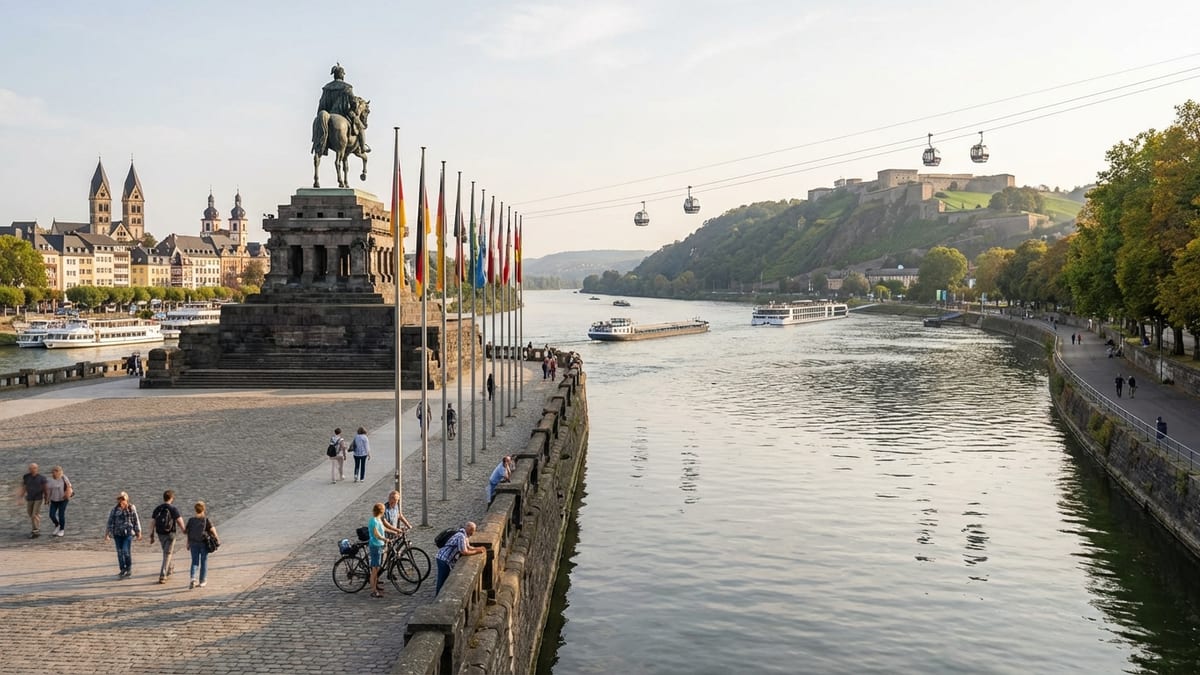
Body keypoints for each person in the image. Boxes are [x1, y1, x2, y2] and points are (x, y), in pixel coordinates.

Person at [317, 63, 369, 153]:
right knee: (360, 126)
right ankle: (363, 146)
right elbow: (353, 101)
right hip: (345, 113)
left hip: (329, 113)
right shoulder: (347, 87)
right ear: (341, 74)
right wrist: (355, 110)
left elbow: (322, 103)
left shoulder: (326, 88)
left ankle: (321, 145)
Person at [149, 490, 187, 584]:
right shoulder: (173, 509)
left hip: (160, 533)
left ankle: (169, 568)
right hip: (171, 534)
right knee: (167, 554)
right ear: (172, 498)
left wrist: (151, 535)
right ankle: (163, 575)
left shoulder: (158, 508)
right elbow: (179, 521)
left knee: (166, 552)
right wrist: (184, 531)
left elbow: (152, 522)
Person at [435, 521, 483, 594]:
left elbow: (468, 547)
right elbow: (464, 551)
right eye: (473, 531)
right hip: (443, 559)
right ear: (469, 530)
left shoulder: (463, 534)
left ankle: (439, 594)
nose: (473, 534)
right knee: (442, 579)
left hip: (444, 558)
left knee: (444, 578)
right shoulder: (461, 536)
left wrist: (478, 548)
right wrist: (477, 552)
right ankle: (437, 597)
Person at [104, 491, 142, 579]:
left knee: (126, 551)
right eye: (120, 499)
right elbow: (110, 522)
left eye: (123, 499)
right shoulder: (114, 510)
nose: (121, 501)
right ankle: (122, 569)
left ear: (126, 499)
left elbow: (136, 520)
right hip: (117, 534)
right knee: (119, 552)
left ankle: (128, 568)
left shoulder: (131, 508)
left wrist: (138, 532)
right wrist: (107, 534)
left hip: (128, 533)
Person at [185, 501, 218, 589]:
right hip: (203, 543)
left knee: (194, 561)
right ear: (204, 509)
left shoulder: (191, 520)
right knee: (204, 561)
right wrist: (217, 538)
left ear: (195, 510)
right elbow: (212, 530)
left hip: (193, 543)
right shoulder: (206, 519)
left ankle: (193, 578)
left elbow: (188, 532)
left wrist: (187, 543)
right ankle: (202, 581)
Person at [19, 463, 48, 538]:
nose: (32, 470)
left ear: (37, 469)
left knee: (33, 515)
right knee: (30, 513)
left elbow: (45, 489)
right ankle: (36, 522)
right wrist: (21, 496)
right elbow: (24, 487)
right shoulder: (26, 477)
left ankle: (35, 530)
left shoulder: (42, 478)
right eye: (30, 468)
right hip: (29, 498)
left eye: (34, 468)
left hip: (38, 498)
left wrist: (46, 498)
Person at [44, 465, 73, 537]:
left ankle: (62, 529)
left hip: (63, 499)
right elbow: (49, 490)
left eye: (54, 472)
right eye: (52, 472)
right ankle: (57, 525)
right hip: (54, 500)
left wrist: (68, 495)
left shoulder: (64, 478)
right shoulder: (50, 480)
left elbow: (69, 487)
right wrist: (47, 499)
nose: (53, 474)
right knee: (51, 515)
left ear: (58, 472)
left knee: (61, 514)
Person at [367, 502, 387, 598]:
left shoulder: (379, 519)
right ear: (382, 511)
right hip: (375, 545)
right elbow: (376, 534)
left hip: (379, 545)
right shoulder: (373, 521)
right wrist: (384, 539)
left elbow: (384, 529)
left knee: (377, 567)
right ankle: (373, 591)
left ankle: (375, 586)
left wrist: (396, 531)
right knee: (374, 569)